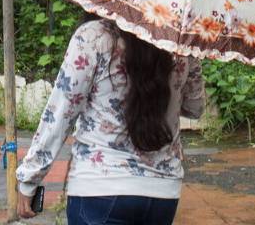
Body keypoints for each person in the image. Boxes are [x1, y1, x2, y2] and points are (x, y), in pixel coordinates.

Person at [16, 17, 205, 224]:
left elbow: (61, 113)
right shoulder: (180, 44)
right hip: (162, 193)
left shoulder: (93, 37)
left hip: (99, 188)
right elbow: (195, 108)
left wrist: (30, 178)